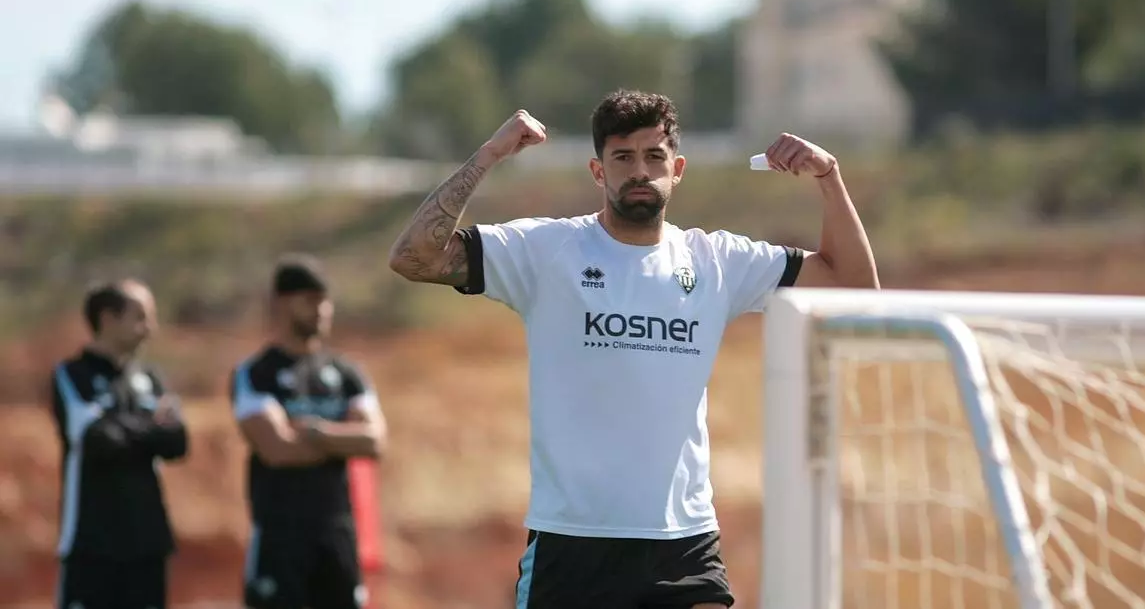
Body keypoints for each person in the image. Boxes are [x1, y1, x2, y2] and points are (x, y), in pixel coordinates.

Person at [387, 89, 880, 608]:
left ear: (677, 168)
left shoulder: (716, 260)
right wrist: (489, 155)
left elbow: (855, 288)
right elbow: (414, 257)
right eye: (622, 157)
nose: (640, 171)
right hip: (573, 545)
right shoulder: (546, 251)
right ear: (598, 171)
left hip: (684, 543)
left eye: (654, 156)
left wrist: (829, 177)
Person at [231, 254, 387, 609]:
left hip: (337, 532)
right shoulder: (256, 374)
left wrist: (314, 431)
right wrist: (342, 440)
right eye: (311, 300)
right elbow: (277, 449)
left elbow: (374, 441)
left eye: (326, 301)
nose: (322, 310)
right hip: (280, 534)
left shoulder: (347, 374)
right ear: (281, 304)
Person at [50, 278, 189, 609]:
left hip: (148, 545)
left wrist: (122, 425)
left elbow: (177, 441)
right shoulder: (73, 375)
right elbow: (99, 439)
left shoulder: (150, 379)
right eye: (140, 317)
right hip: (91, 546)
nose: (150, 328)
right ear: (108, 319)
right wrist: (150, 427)